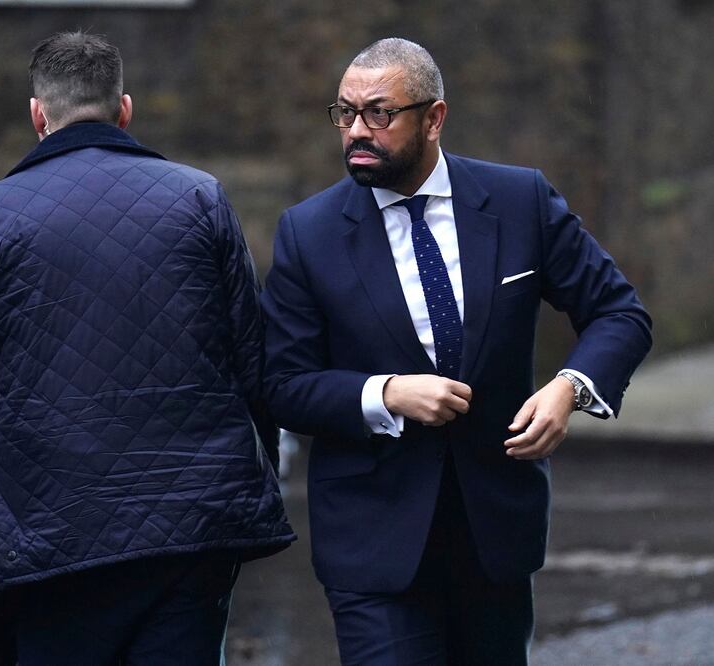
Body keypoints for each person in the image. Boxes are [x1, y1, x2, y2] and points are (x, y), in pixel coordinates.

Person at [261, 38, 651, 664]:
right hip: (373, 547)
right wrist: (383, 393)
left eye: (379, 114)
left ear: (434, 118)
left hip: (493, 535)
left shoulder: (520, 201)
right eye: (345, 113)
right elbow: (280, 382)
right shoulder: (308, 234)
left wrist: (569, 387)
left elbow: (619, 312)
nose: (357, 131)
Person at [0, 31, 294, 666]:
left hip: (52, 530)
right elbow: (252, 361)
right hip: (192, 528)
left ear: (37, 115)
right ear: (124, 109)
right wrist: (247, 469)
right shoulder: (198, 197)